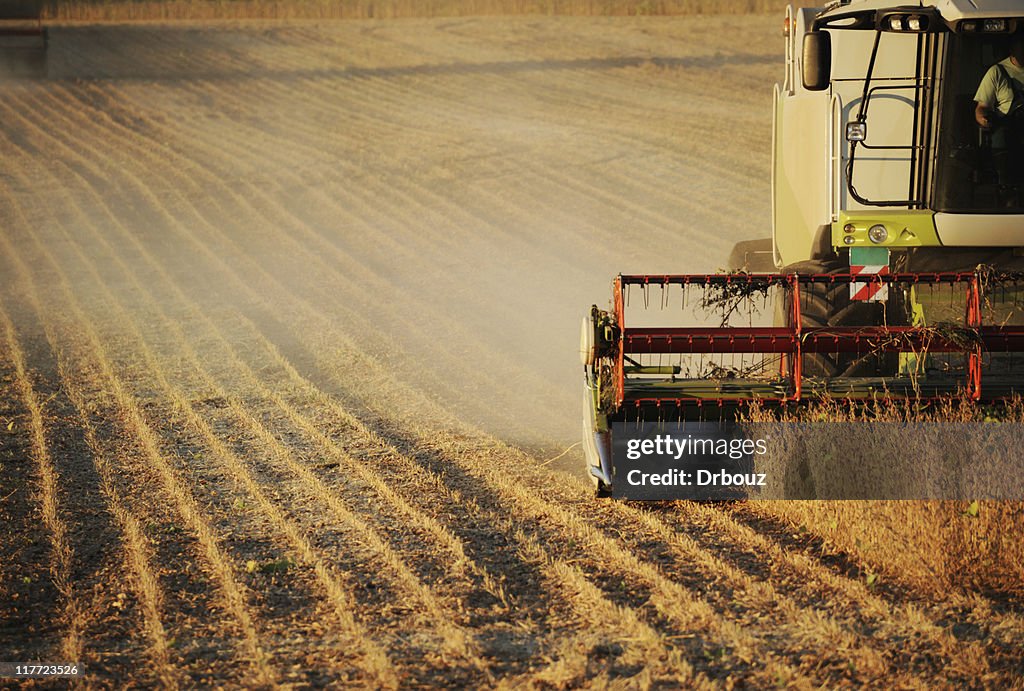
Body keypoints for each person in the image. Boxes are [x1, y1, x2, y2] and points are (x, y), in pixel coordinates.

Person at [975, 35, 1024, 205]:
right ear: (1013, 48)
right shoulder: (997, 72)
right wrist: (983, 119)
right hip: (1008, 129)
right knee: (1002, 142)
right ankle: (1007, 191)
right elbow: (982, 107)